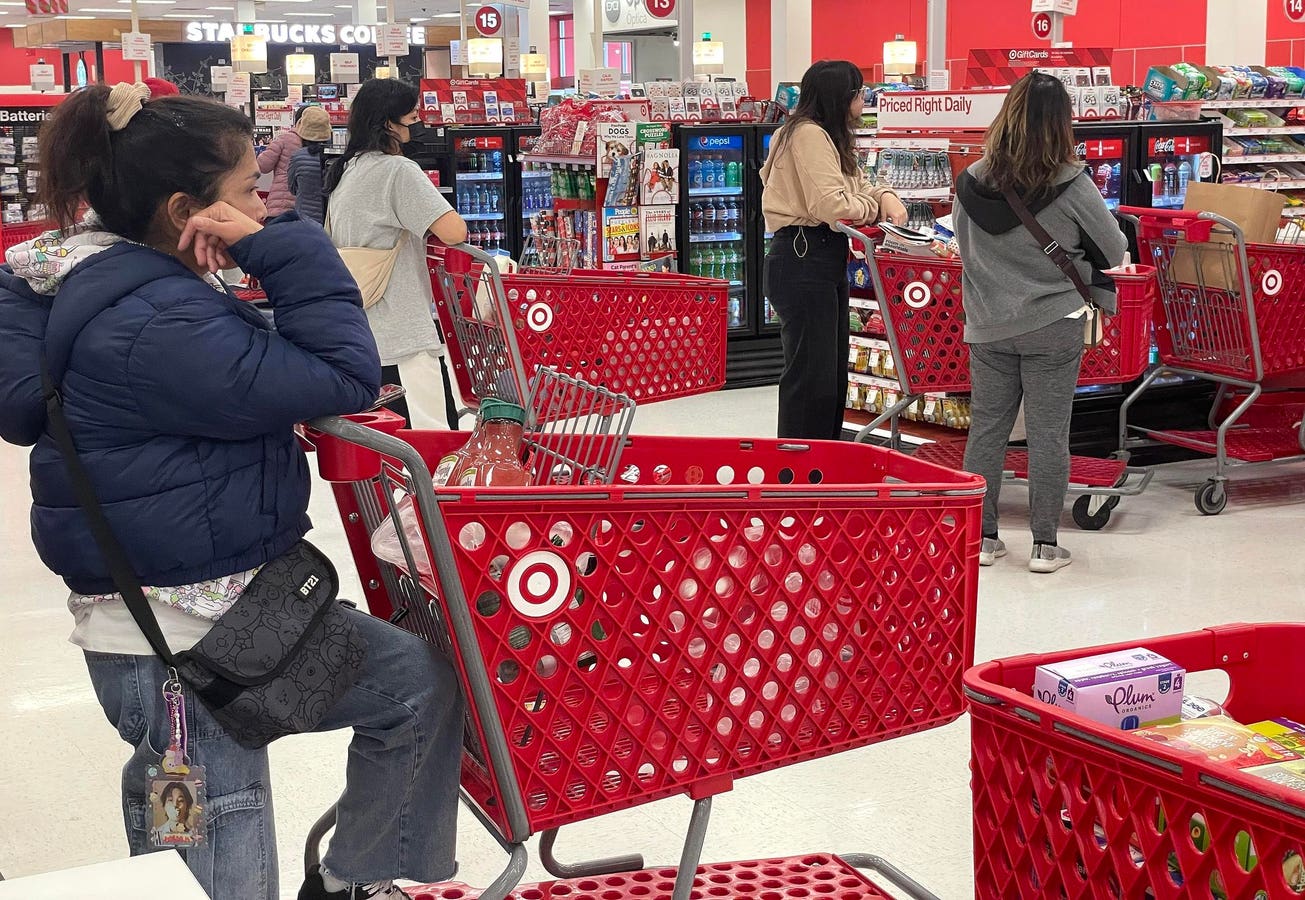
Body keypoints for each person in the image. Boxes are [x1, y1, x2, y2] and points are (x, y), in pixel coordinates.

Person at [0, 82, 464, 900]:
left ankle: (352, 879)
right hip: (186, 643)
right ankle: (349, 878)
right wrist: (283, 249)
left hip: (211, 614)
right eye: (250, 191)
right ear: (186, 210)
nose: (263, 206)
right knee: (220, 850)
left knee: (412, 685)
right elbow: (344, 374)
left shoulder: (116, 282)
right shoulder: (156, 321)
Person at [953, 72, 1127, 574]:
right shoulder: (1071, 183)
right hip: (1053, 323)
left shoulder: (970, 181)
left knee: (987, 430)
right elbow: (1115, 248)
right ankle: (1045, 547)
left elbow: (964, 248)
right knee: (1049, 434)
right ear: (1061, 123)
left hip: (988, 324)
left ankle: (982, 540)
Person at [761, 60, 908, 440]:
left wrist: (884, 195)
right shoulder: (808, 136)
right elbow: (832, 205)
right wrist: (875, 207)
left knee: (827, 377)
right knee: (811, 379)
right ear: (840, 97)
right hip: (803, 256)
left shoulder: (825, 135)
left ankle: (823, 461)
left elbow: (858, 186)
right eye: (860, 92)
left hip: (819, 256)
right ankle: (799, 466)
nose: (864, 99)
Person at [325, 78, 468, 429]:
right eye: (413, 115)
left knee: (386, 442)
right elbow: (454, 231)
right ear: (389, 123)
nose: (419, 122)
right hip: (402, 330)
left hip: (361, 330)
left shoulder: (348, 168)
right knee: (429, 439)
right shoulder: (398, 171)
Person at [257, 105, 307, 217]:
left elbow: (262, 165)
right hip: (308, 208)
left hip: (280, 203)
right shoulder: (321, 144)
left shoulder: (284, 139)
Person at [289, 105, 332, 225]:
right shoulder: (335, 159)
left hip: (305, 219)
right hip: (329, 219)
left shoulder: (297, 157)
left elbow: (292, 188)